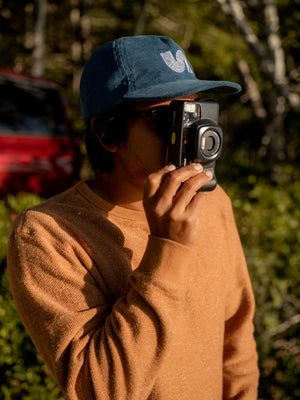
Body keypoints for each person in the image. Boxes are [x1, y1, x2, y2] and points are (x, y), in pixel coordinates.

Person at [7, 35, 259, 399]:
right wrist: (167, 249)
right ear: (108, 132)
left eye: (195, 112)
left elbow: (236, 336)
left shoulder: (214, 201)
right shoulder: (48, 235)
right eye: (169, 118)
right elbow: (100, 389)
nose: (191, 133)